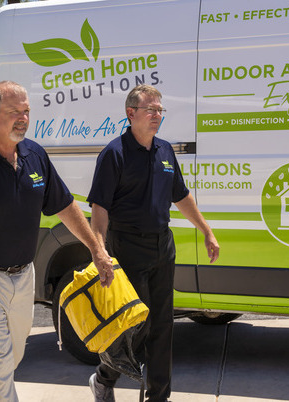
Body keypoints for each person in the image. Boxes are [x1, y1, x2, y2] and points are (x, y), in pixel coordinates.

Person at [0, 81, 113, 401]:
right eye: (15, 111)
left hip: (23, 277)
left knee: (11, 359)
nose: (23, 118)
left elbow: (65, 206)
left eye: (27, 111)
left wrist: (96, 249)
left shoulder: (34, 155)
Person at [87, 84, 219, 402]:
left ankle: (159, 396)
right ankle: (104, 377)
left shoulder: (164, 150)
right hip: (127, 247)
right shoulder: (114, 154)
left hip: (163, 246)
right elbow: (99, 209)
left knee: (163, 325)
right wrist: (100, 252)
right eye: (151, 110)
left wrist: (206, 230)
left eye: (160, 110)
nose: (157, 115)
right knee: (136, 326)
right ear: (131, 114)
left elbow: (181, 195)